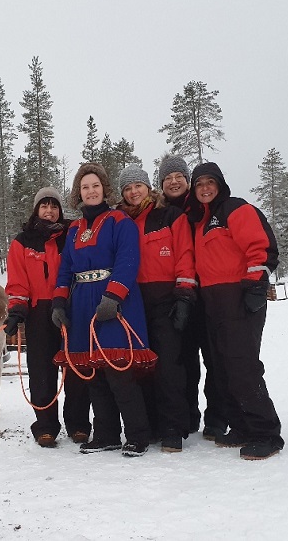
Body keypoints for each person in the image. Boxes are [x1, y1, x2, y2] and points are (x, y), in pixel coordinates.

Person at [51, 162, 154, 457]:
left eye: (95, 185)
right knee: (93, 375)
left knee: (119, 373)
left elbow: (128, 259)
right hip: (82, 302)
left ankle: (137, 434)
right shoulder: (73, 230)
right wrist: (59, 301)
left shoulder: (120, 221)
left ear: (104, 189)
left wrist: (114, 295)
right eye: (85, 187)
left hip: (113, 301)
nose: (91, 191)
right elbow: (65, 269)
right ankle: (106, 433)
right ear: (78, 193)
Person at [185, 161, 284, 460]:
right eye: (199, 183)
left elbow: (261, 247)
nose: (204, 188)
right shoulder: (201, 222)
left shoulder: (235, 209)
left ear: (220, 184)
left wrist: (255, 285)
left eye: (209, 182)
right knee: (223, 366)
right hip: (212, 299)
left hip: (240, 295)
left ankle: (266, 432)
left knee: (242, 365)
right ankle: (242, 426)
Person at [116, 163, 197, 453]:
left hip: (166, 298)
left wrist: (184, 294)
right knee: (141, 365)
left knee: (169, 364)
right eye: (127, 188)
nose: (133, 191)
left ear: (148, 187)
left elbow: (185, 254)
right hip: (133, 299)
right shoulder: (120, 221)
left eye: (138, 185)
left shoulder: (169, 215)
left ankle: (173, 427)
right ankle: (148, 424)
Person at [4, 186, 91, 448]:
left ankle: (78, 425)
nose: (49, 211)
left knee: (77, 369)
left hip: (70, 308)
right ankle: (45, 427)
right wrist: (17, 309)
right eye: (44, 206)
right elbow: (18, 281)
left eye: (54, 206)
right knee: (41, 371)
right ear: (36, 209)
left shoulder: (72, 235)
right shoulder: (22, 241)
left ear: (60, 210)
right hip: (39, 311)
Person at [158, 154, 229, 440]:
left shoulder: (203, 208)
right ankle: (187, 415)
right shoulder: (158, 213)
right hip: (177, 295)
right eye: (168, 178)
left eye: (179, 177)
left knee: (214, 357)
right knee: (182, 359)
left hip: (209, 293)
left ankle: (217, 417)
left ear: (187, 182)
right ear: (161, 184)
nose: (174, 182)